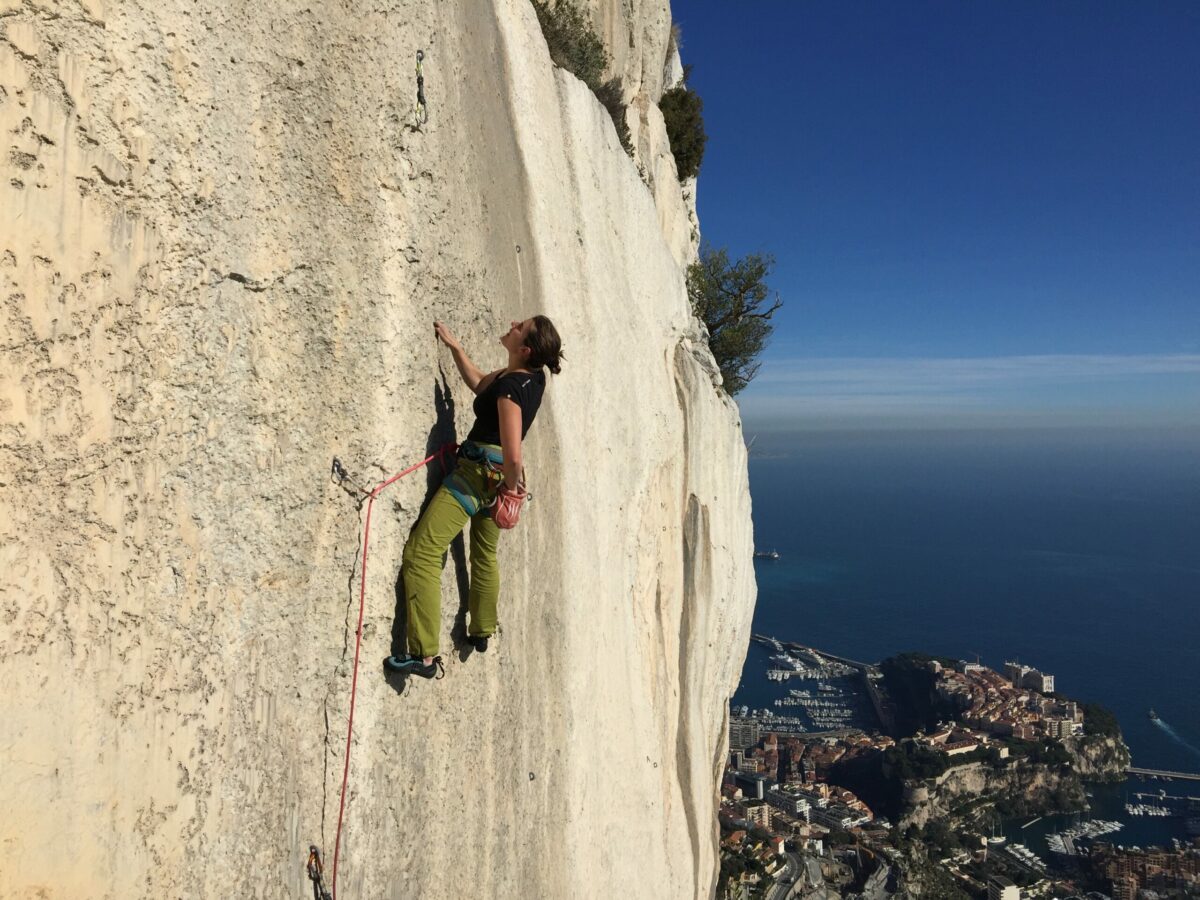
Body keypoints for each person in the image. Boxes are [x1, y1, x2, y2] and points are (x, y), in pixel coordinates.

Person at [385, 316, 563, 678]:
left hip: (478, 476)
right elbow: (481, 384)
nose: (513, 323)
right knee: (484, 554)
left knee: (422, 550)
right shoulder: (531, 377)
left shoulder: (512, 387)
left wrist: (510, 492)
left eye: (520, 327)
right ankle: (482, 629)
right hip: (494, 477)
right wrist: (456, 349)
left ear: (524, 348)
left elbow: (514, 453)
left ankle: (423, 656)